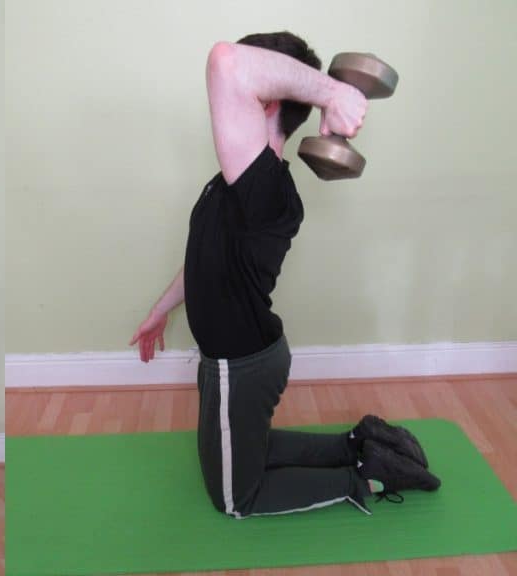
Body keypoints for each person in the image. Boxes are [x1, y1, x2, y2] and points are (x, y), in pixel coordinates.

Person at [129, 32, 440, 517]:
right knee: (245, 455)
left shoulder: (267, 190)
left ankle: (366, 478)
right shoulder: (235, 181)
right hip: (231, 361)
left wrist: (332, 93)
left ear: (267, 98)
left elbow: (226, 61)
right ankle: (359, 444)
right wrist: (160, 311)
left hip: (243, 364)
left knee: (235, 497)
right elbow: (205, 260)